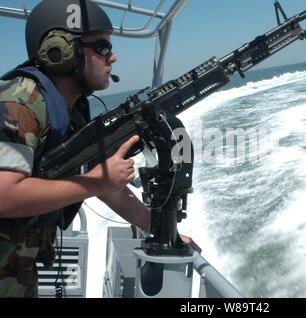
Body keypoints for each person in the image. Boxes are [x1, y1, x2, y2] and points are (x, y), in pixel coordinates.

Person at [0, 0, 198, 298]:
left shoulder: (71, 112)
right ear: (61, 51)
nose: (113, 57)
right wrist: (96, 181)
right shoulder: (19, 103)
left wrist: (163, 233)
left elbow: (107, 188)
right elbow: (5, 195)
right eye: (102, 47)